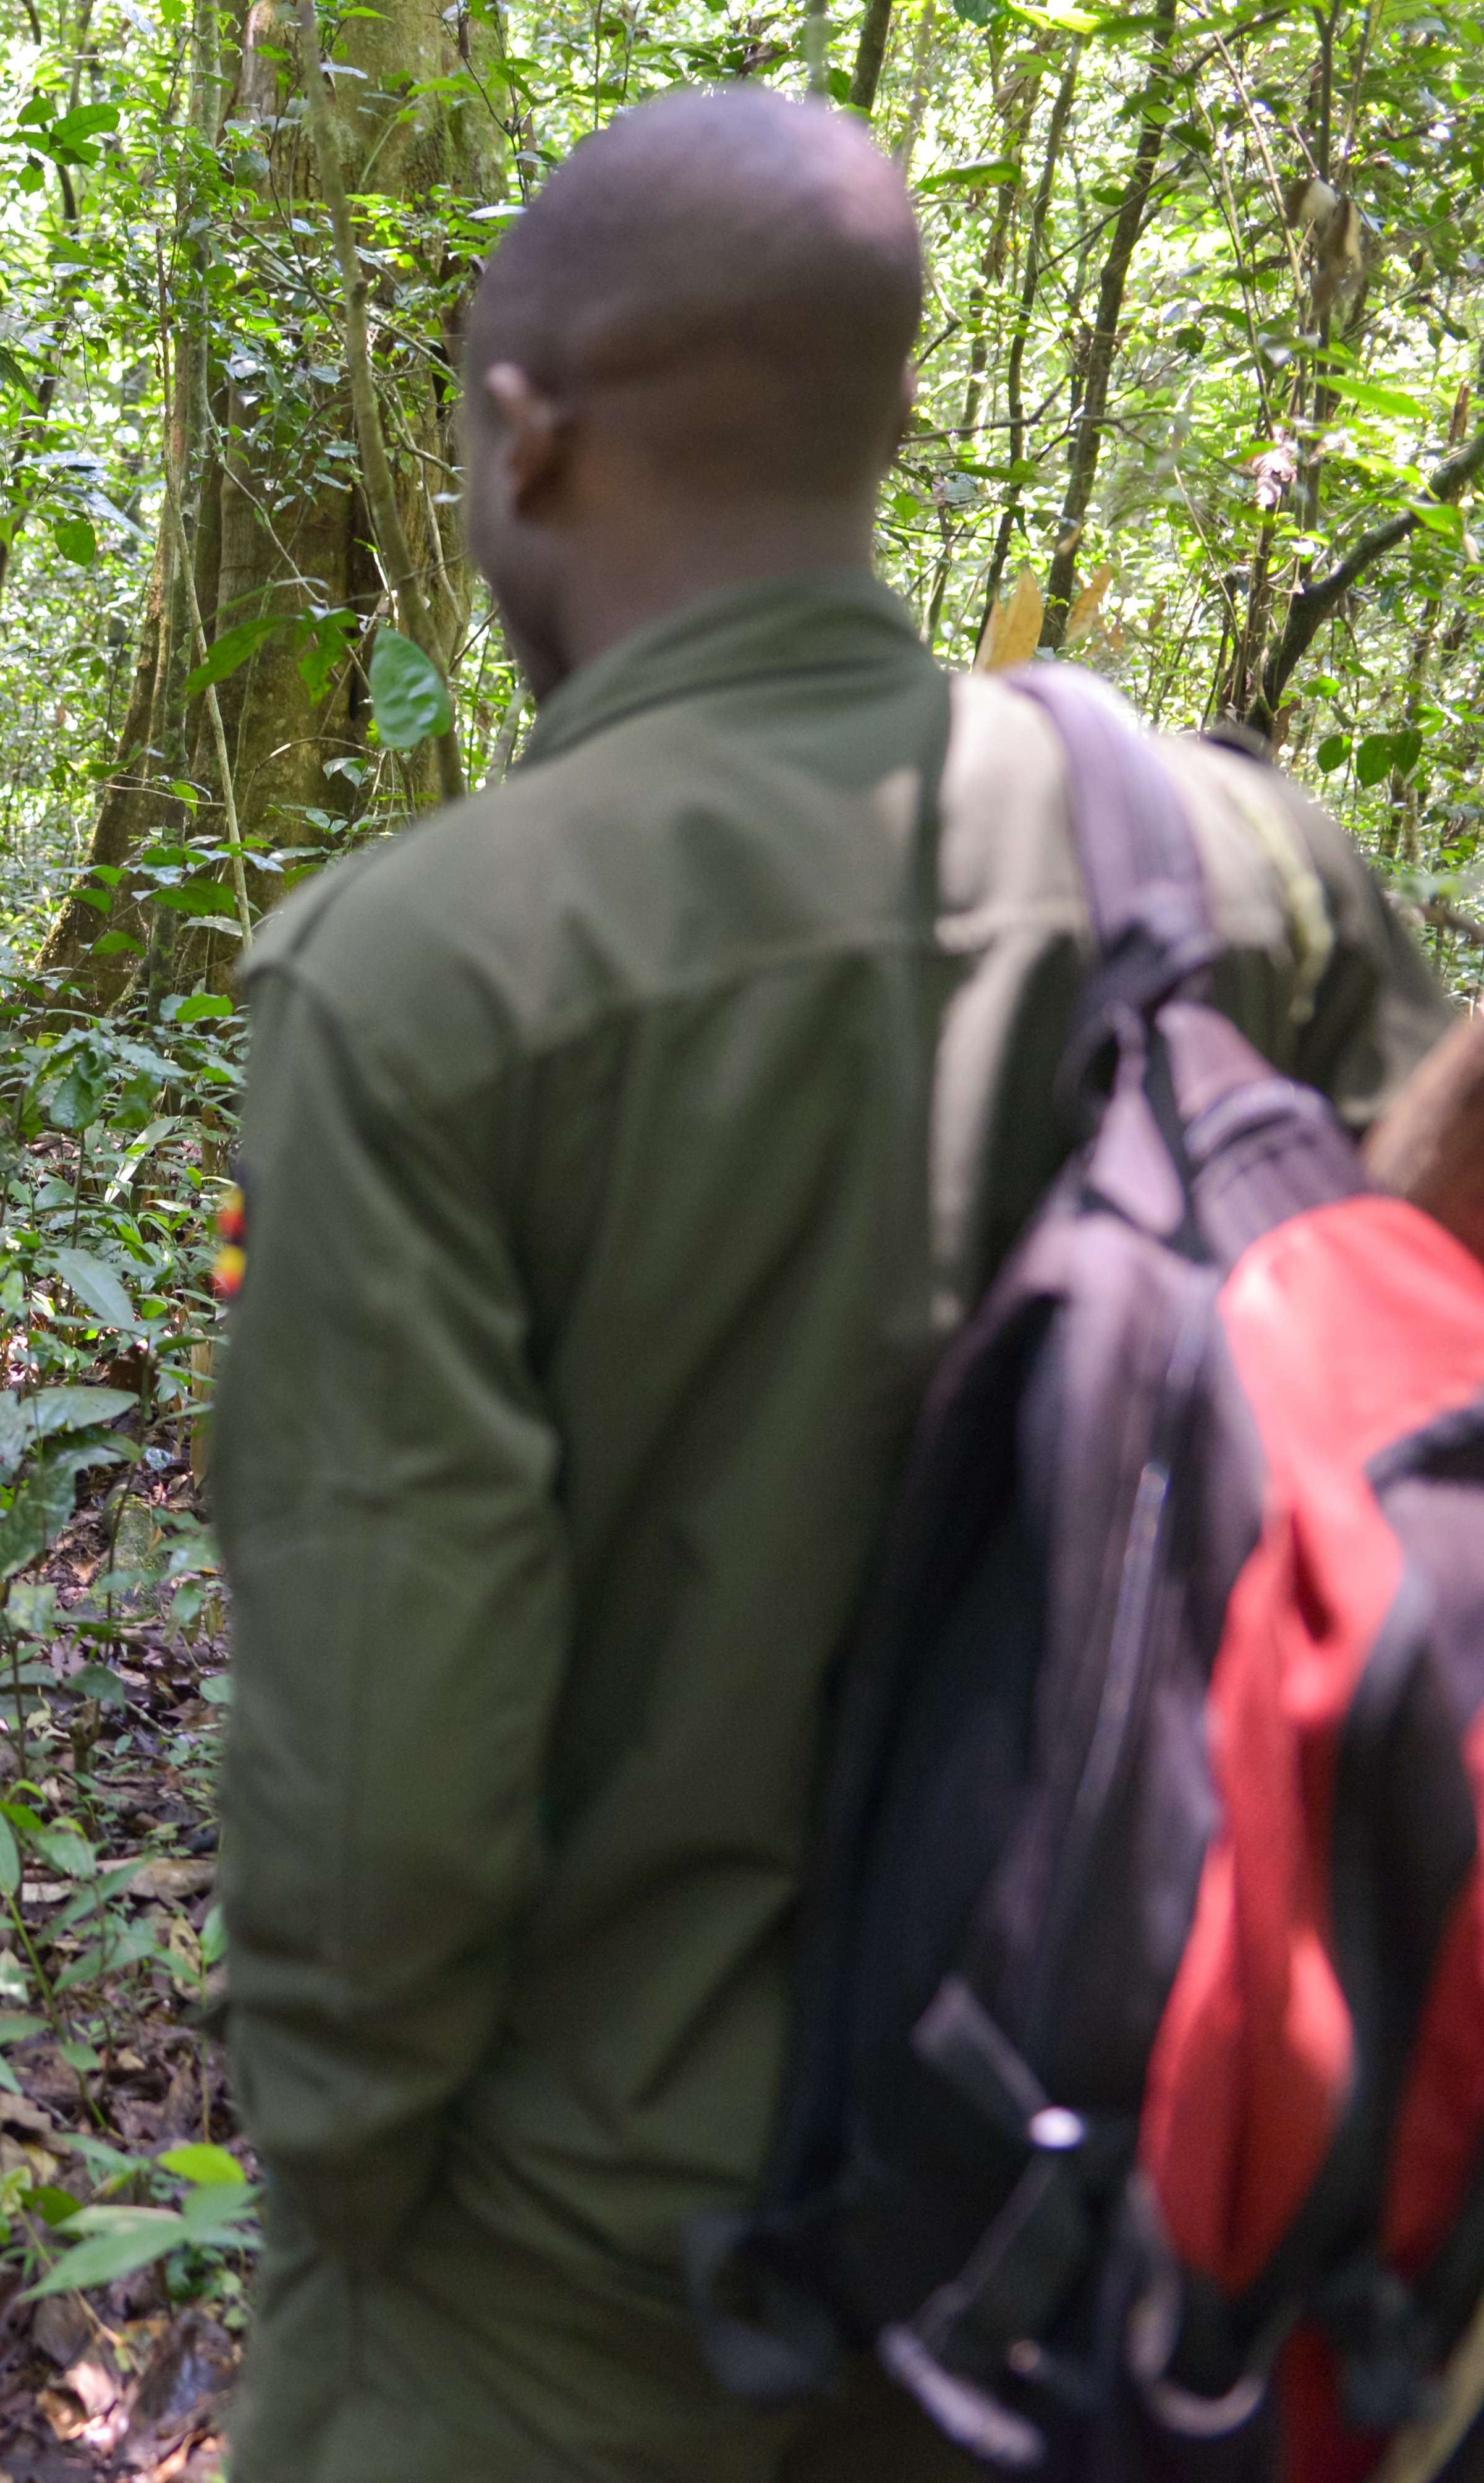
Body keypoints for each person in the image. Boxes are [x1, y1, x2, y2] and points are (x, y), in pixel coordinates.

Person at [210, 85, 1452, 2482]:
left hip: (587, 2282)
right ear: (882, 419)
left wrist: (356, 2192)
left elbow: (382, 1799)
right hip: (1109, 2234)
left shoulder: (416, 977)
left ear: (519, 437)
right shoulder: (1234, 867)